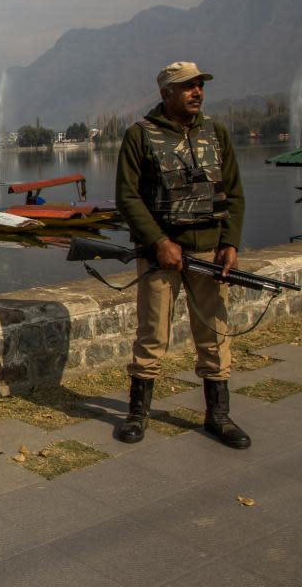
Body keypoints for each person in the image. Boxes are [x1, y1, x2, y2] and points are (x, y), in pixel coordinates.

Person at [115, 61, 250, 449]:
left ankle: (218, 415)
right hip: (162, 256)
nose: (197, 92)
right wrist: (159, 241)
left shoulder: (216, 133)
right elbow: (128, 196)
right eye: (187, 87)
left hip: (209, 252)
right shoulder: (141, 136)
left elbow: (235, 194)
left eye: (199, 86)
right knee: (152, 334)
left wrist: (231, 243)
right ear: (166, 94)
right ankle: (137, 414)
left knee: (213, 334)